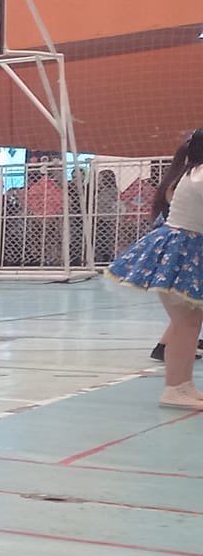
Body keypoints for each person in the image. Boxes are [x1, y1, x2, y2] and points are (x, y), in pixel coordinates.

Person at [106, 128, 203, 409]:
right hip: (181, 253)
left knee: (189, 324)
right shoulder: (199, 176)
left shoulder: (192, 173)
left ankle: (182, 385)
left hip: (185, 251)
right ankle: (175, 389)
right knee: (186, 325)